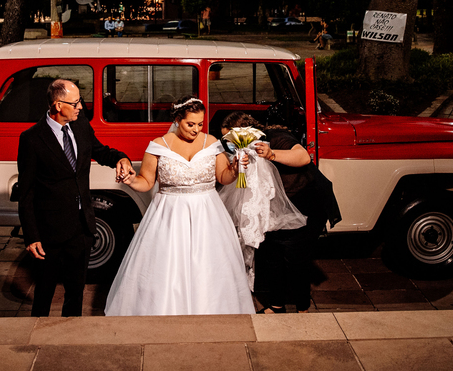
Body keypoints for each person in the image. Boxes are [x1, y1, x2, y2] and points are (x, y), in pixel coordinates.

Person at [106, 97, 256, 316]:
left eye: (200, 124)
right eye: (190, 124)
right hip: (169, 216)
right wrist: (129, 180)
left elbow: (223, 177)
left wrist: (235, 170)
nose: (196, 130)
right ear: (177, 120)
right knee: (167, 268)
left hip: (207, 214)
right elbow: (146, 182)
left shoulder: (212, 142)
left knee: (207, 267)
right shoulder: (158, 146)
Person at [17, 79, 136, 317]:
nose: (81, 106)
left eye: (79, 100)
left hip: (82, 226)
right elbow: (26, 192)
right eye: (75, 102)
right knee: (45, 291)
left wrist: (122, 158)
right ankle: (36, 336)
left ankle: (71, 336)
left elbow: (100, 152)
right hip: (50, 231)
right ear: (58, 105)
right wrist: (32, 236)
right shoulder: (32, 139)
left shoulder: (80, 125)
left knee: (76, 290)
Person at [222, 112, 335, 314]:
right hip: (275, 206)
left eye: (231, 141)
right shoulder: (243, 152)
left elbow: (302, 157)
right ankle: (276, 305)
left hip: (306, 201)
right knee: (271, 254)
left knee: (295, 257)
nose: (230, 147)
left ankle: (303, 308)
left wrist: (272, 154)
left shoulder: (274, 137)